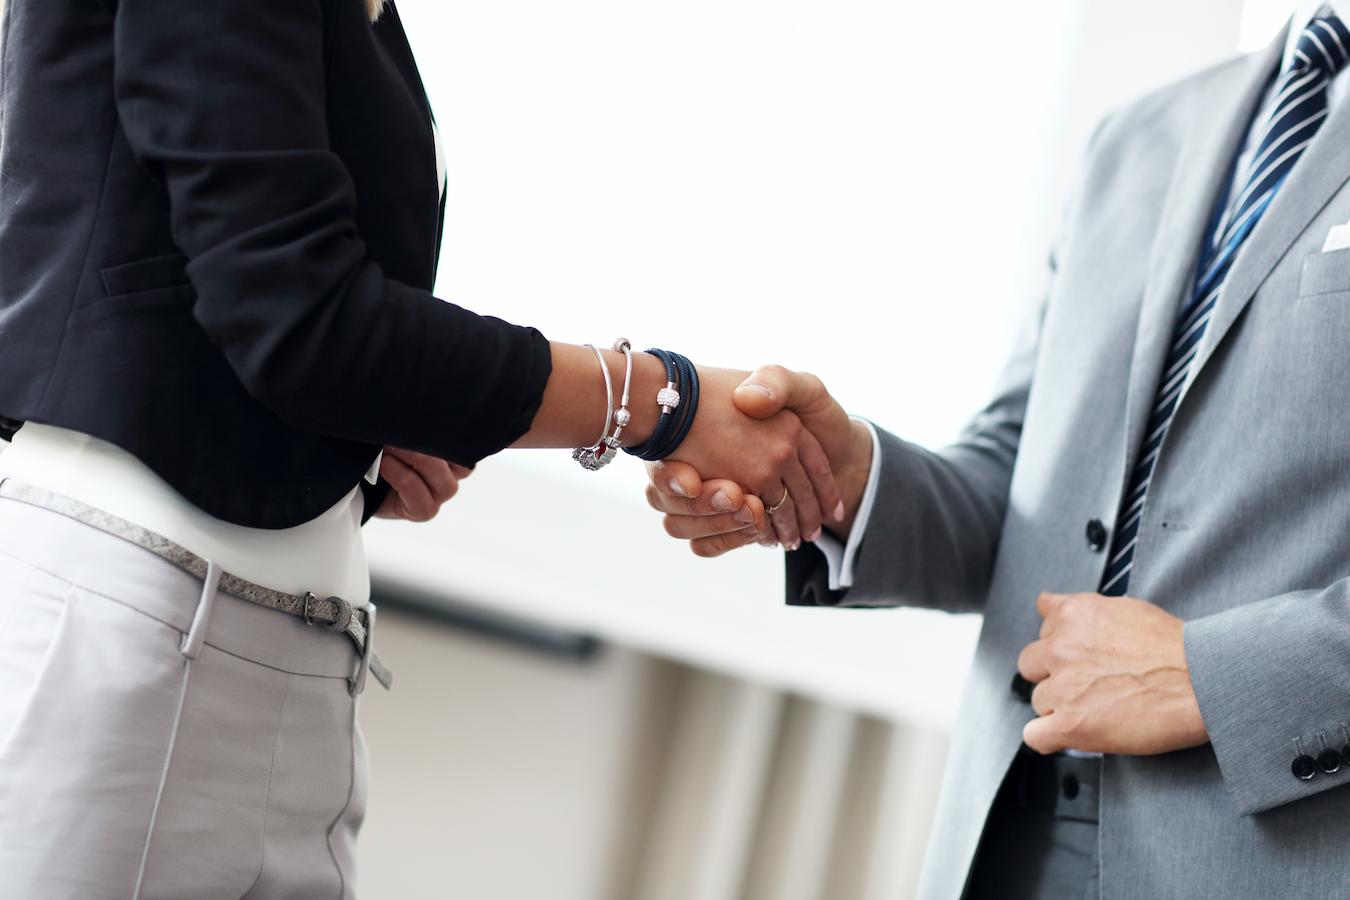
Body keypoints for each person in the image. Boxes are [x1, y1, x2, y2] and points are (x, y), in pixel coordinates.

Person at [0, 1, 842, 897]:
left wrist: (360, 431)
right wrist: (656, 399)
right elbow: (302, 320)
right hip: (128, 645)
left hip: (290, 660)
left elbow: (212, 282)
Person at [650, 3, 1350, 897]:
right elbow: (1028, 483)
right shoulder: (1139, 137)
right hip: (1003, 837)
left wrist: (1216, 680)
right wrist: (848, 480)